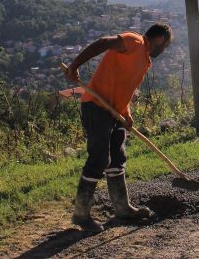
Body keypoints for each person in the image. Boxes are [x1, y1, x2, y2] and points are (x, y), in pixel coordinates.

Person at [65, 23, 172, 232]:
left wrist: (127, 113)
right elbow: (104, 43)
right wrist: (75, 65)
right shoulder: (135, 42)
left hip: (115, 111)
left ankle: (123, 209)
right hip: (96, 107)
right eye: (165, 45)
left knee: (117, 158)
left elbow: (125, 88)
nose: (165, 50)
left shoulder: (144, 61)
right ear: (159, 40)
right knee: (99, 159)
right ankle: (81, 215)